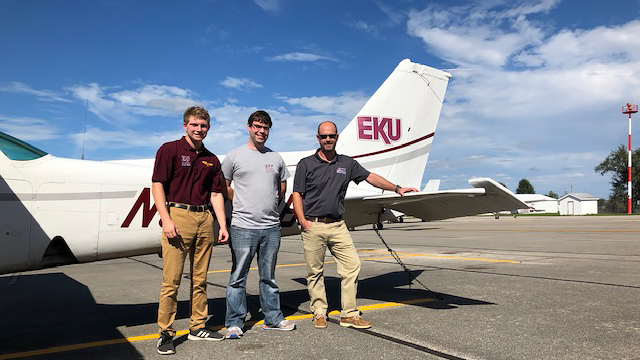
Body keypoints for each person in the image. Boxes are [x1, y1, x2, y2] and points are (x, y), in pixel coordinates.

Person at [292, 121, 418, 329]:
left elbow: (371, 177)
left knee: (352, 266)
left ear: (337, 137)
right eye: (324, 136)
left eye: (331, 136)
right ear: (318, 138)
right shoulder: (306, 164)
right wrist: (303, 221)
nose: (328, 139)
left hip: (338, 225)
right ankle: (319, 312)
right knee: (315, 271)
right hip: (314, 225)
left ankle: (349, 314)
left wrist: (397, 188)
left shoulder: (347, 163)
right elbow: (297, 193)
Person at [152, 106, 229, 355]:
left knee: (200, 279)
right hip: (178, 215)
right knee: (171, 280)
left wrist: (222, 224)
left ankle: (198, 326)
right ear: (185, 125)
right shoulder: (169, 149)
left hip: (204, 218)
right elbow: (157, 185)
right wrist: (166, 218)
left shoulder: (212, 159)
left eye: (203, 125)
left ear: (209, 127)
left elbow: (216, 194)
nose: (199, 129)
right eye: (194, 125)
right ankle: (165, 331)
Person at [221, 110, 295, 339]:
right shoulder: (234, 156)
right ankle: (234, 322)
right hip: (243, 226)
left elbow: (281, 188)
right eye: (257, 127)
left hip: (271, 226)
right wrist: (241, 201)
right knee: (238, 277)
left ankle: (273, 318)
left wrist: (271, 203)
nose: (261, 131)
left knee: (269, 277)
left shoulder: (276, 158)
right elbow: (224, 185)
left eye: (266, 128)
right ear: (249, 127)